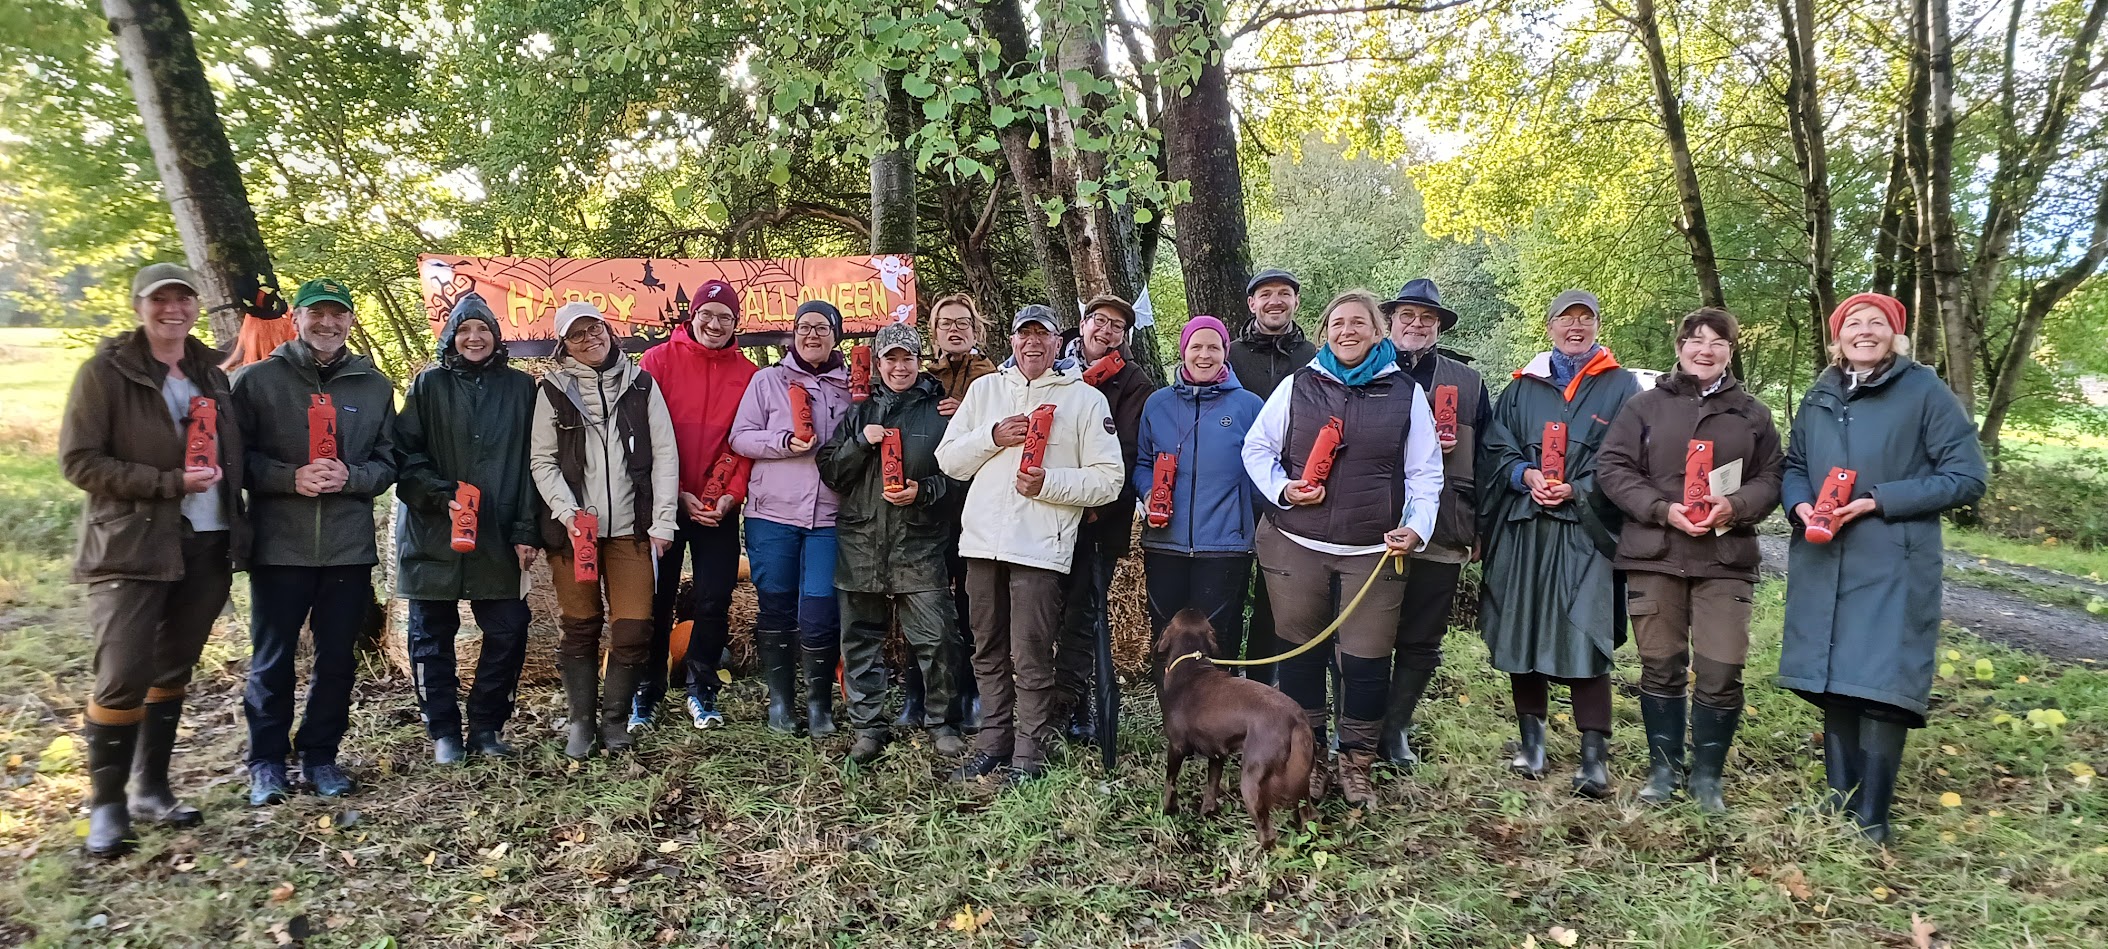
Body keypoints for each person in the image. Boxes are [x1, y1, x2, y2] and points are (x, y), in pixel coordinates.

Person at [59, 263, 251, 856]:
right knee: (123, 672)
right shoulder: (105, 373)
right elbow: (81, 462)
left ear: (195, 306)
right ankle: (108, 804)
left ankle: (152, 788)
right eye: (160, 300)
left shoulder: (209, 372)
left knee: (173, 667)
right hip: (132, 546)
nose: (174, 309)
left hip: (208, 540)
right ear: (140, 306)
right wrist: (170, 482)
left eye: (184, 299)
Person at [1778, 292, 1985, 842]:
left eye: (1877, 324)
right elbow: (1795, 464)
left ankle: (1873, 817)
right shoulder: (1821, 393)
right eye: (1853, 324)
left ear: (1897, 335)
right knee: (1835, 678)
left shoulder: (1924, 391)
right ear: (1837, 336)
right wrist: (1798, 503)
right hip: (1826, 556)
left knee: (1883, 683)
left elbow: (1966, 477)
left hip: (1893, 558)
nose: (1863, 332)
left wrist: (1877, 500)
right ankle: (1838, 800)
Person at [1241, 290, 1442, 807]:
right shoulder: (1298, 385)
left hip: (1373, 551)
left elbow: (1425, 472)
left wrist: (1417, 527)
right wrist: (1283, 488)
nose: (1347, 331)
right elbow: (1256, 447)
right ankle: (1309, 763)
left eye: (1359, 323)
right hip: (1295, 543)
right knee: (1302, 657)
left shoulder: (1404, 392)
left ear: (1379, 332)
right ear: (1324, 330)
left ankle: (1356, 764)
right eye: (1337, 323)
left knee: (1366, 662)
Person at [1597, 307, 1783, 812]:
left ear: (1730, 350)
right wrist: (1660, 509)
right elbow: (1612, 467)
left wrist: (1736, 506)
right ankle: (1663, 770)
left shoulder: (1752, 414)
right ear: (1679, 347)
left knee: (1722, 669)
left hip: (1724, 558)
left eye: (1717, 342)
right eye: (1695, 340)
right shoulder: (1644, 407)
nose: (1705, 349)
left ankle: (1707, 777)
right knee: (1660, 667)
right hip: (1656, 555)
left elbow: (1773, 477)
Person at [936, 304, 1123, 785]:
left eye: (1043, 335)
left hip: (1040, 548)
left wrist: (1049, 485)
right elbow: (949, 460)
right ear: (1012, 341)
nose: (1033, 344)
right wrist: (993, 436)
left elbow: (1109, 481)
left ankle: (1028, 756)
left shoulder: (1082, 400)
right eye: (1025, 335)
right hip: (980, 544)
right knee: (987, 649)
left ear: (1058, 344)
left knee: (1031, 653)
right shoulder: (986, 391)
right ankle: (992, 744)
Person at [233, 277, 397, 804]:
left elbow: (391, 460)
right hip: (280, 545)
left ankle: (320, 756)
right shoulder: (256, 381)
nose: (328, 324)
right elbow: (233, 459)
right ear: (296, 319)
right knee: (273, 658)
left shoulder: (373, 385)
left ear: (350, 321)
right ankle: (266, 762)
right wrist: (289, 478)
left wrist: (352, 477)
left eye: (338, 315)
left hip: (347, 547)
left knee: (337, 659)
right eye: (316, 314)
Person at [1477, 289, 1640, 799]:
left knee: (1584, 630)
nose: (1575, 327)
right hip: (1525, 527)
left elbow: (1631, 456)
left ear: (1596, 326)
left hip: (1586, 531)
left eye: (1584, 319)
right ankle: (1532, 746)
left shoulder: (1622, 387)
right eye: (1565, 319)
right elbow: (1494, 445)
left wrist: (1581, 486)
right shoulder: (1523, 387)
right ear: (1549, 327)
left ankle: (1594, 758)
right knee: (1519, 630)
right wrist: (1525, 474)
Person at [392, 292, 540, 764]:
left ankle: (486, 726)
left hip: (497, 531)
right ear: (451, 338)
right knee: (430, 634)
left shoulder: (521, 390)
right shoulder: (427, 386)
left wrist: (525, 529)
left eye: (483, 330)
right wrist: (442, 495)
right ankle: (443, 732)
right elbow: (404, 456)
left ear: (497, 337)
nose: (474, 338)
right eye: (464, 330)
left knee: (509, 627)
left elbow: (532, 465)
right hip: (434, 531)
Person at [529, 301, 678, 758]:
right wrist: (568, 512)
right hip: (575, 533)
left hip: (633, 528)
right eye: (577, 335)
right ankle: (581, 723)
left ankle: (615, 721)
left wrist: (664, 519)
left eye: (594, 329)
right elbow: (542, 460)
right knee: (581, 626)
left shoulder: (641, 383)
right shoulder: (552, 391)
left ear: (608, 329)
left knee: (634, 629)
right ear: (564, 345)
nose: (589, 339)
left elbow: (666, 454)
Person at [817, 322, 968, 762]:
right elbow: (831, 472)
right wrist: (861, 444)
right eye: (891, 359)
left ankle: (943, 723)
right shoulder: (858, 411)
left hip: (918, 542)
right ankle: (868, 727)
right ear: (878, 363)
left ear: (920, 361)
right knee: (860, 640)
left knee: (938, 638)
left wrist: (923, 492)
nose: (899, 367)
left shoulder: (941, 411)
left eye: (907, 358)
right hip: (861, 541)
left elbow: (960, 475)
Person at [1378, 279, 1493, 769]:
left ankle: (1396, 729)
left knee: (1422, 635)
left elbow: (1489, 458)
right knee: (1366, 634)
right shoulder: (1368, 370)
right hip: (1375, 526)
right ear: (1390, 321)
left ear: (1439, 327)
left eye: (1427, 318)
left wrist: (1483, 525)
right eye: (1407, 315)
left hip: (1445, 524)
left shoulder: (1468, 384)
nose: (1416, 325)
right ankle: (1359, 727)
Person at [635, 279, 758, 730]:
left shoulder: (748, 375)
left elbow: (745, 442)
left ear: (735, 323)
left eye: (724, 316)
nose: (714, 323)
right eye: (707, 314)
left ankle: (701, 685)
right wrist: (675, 493)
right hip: (667, 503)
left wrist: (732, 495)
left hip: (717, 508)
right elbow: (643, 437)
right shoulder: (656, 362)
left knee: (713, 597)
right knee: (656, 597)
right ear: (692, 316)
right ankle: (647, 689)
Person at [729, 300, 854, 736]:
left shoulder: (852, 387)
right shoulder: (768, 381)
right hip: (773, 514)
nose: (812, 335)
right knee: (776, 606)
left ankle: (820, 705)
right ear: (793, 334)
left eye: (822, 327)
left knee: (820, 609)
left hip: (830, 515)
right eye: (804, 327)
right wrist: (784, 441)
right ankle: (781, 703)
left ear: (836, 335)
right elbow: (740, 437)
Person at [1053, 294, 1157, 745]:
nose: (1106, 331)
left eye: (1117, 326)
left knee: (1084, 613)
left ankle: (1078, 707)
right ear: (1082, 324)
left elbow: (1129, 450)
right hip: (1049, 510)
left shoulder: (1135, 382)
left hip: (1100, 517)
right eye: (1099, 321)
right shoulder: (1054, 368)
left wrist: (1101, 499)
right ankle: (1050, 702)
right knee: (1046, 610)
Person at [1130, 315, 1264, 657]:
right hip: (1165, 542)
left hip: (1225, 546)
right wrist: (1148, 493)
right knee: (1167, 639)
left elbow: (1263, 471)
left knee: (1218, 640)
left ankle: (1222, 709)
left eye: (1214, 347)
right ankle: (1172, 710)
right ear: (1183, 350)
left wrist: (1242, 517)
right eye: (1196, 346)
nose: (1205, 355)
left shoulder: (1248, 406)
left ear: (1225, 352)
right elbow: (1143, 463)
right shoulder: (1158, 404)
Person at [1229, 268, 1316, 680]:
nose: (1275, 301)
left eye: (1284, 294)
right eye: (1266, 294)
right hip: (1234, 489)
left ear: (1296, 302)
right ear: (1252, 303)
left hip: (1292, 491)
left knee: (1274, 593)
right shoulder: (1229, 355)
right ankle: (1222, 685)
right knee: (1229, 588)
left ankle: (1265, 684)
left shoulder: (1315, 357)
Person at [918, 292, 997, 728]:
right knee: (927, 602)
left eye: (962, 322)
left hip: (974, 506)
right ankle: (924, 691)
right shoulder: (920, 376)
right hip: (930, 504)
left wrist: (965, 417)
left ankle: (972, 693)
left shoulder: (994, 379)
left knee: (972, 603)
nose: (954, 329)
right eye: (945, 322)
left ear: (975, 329)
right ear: (934, 332)